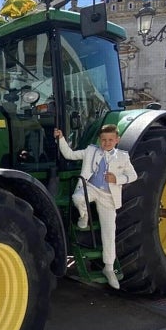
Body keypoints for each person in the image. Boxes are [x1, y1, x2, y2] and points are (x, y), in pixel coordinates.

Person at [54, 124, 137, 289]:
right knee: (77, 198)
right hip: (90, 188)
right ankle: (84, 217)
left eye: (110, 140)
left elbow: (133, 175)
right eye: (104, 139)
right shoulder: (91, 151)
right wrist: (61, 138)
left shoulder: (122, 157)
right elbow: (69, 154)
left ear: (117, 140)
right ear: (100, 140)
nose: (107, 143)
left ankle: (108, 268)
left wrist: (117, 179)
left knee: (109, 232)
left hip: (108, 196)